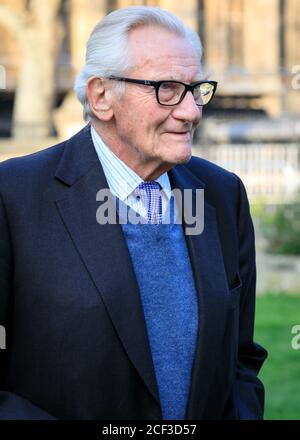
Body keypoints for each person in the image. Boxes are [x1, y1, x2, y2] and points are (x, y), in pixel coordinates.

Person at [0, 6, 267, 420]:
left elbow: (242, 360)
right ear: (101, 96)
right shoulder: (13, 197)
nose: (192, 111)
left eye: (196, 89)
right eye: (166, 88)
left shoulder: (221, 194)